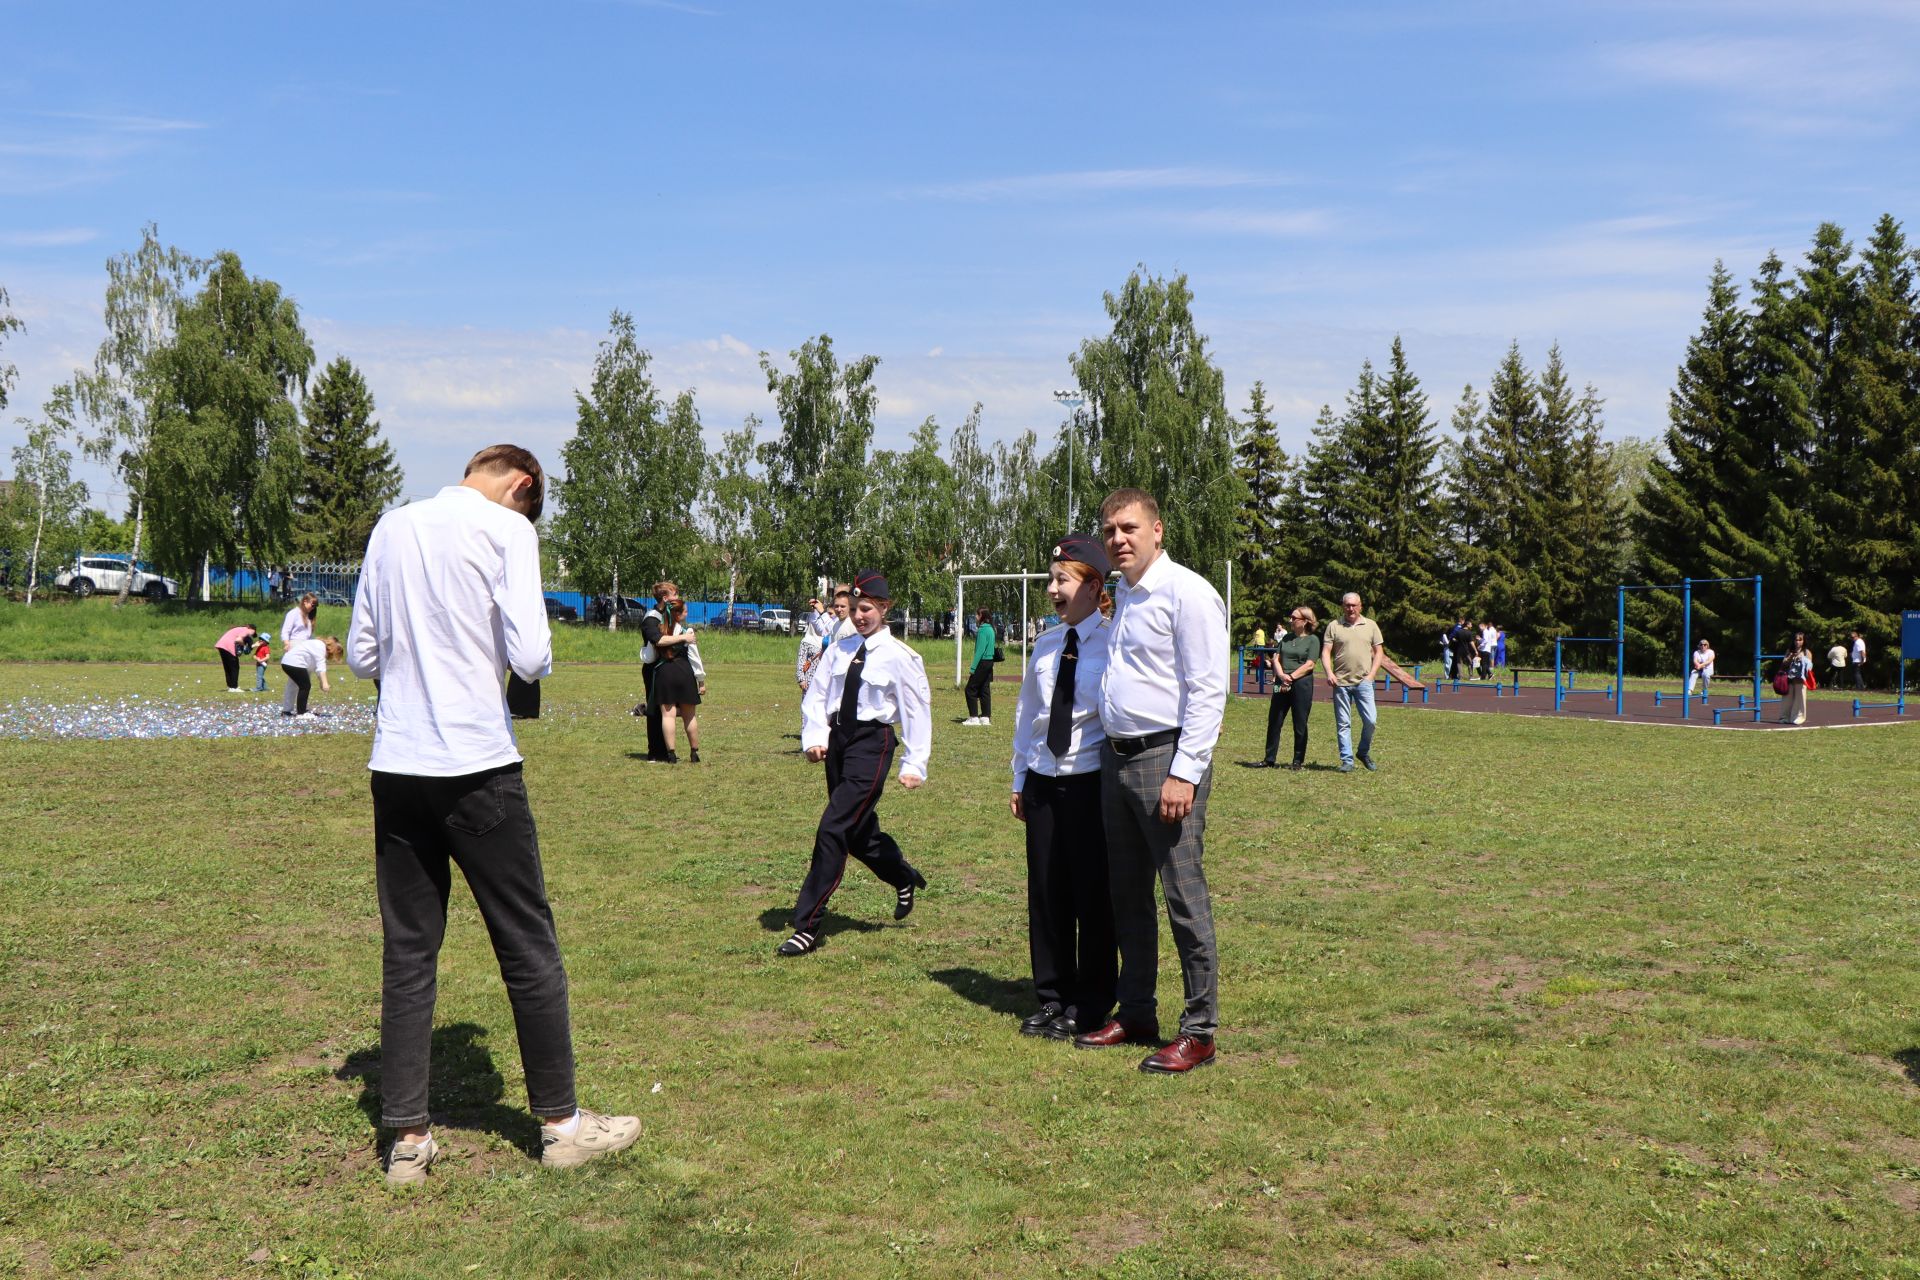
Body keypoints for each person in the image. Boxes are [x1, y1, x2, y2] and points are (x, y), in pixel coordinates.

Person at [346, 443, 637, 1185]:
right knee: (527, 945)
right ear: (522, 487)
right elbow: (533, 658)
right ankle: (563, 1126)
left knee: (408, 952)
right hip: (476, 766)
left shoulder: (391, 526)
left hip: (397, 766)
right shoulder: (510, 530)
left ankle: (407, 1141)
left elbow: (361, 654)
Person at [1075, 487, 1226, 1075]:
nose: (1118, 539)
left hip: (1166, 760)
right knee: (1127, 897)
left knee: (1183, 896)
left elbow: (1208, 690)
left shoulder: (1188, 592)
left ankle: (1200, 1031)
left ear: (1157, 531)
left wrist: (1183, 773)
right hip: (1118, 761)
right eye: (1110, 530)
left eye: (1129, 528)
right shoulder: (1123, 593)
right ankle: (1137, 1010)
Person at [779, 569, 931, 957]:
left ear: (884, 608)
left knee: (832, 828)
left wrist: (915, 763)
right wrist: (814, 738)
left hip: (872, 743)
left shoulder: (901, 657)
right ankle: (902, 875)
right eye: (854, 609)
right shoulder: (839, 650)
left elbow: (916, 711)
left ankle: (807, 925)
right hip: (839, 740)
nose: (859, 616)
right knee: (858, 835)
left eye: (867, 609)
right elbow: (816, 696)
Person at [1008, 537, 1117, 1043]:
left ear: (1094, 586)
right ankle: (1052, 997)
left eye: (1062, 580)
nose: (1052, 589)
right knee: (1047, 893)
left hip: (1090, 780)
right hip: (1043, 781)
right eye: (1051, 579)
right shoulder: (1048, 643)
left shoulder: (1115, 641)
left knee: (1091, 894)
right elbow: (1028, 714)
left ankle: (1091, 1002)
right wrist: (1019, 777)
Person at [1323, 592, 1384, 772]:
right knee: (1343, 723)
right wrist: (1328, 673)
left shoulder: (1371, 625)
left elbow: (1379, 652)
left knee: (1371, 721)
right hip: (1340, 682)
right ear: (1342, 606)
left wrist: (1372, 674)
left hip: (1364, 682)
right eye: (1347, 605)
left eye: (1354, 605)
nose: (1350, 608)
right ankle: (1347, 761)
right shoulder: (1334, 626)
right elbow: (1326, 652)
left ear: (1360, 606)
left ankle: (1363, 752)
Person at [1261, 606, 1321, 770]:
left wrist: (1292, 677)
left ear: (1305, 621)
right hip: (1281, 682)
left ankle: (1297, 760)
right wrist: (1281, 676)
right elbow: (1276, 658)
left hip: (1302, 683)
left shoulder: (1313, 640)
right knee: (1274, 719)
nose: (1290, 620)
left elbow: (1310, 664)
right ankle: (1269, 759)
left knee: (1300, 722)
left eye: (1294, 618)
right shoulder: (1286, 638)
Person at [638, 582, 692, 762]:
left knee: (669, 710)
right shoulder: (651, 618)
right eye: (675, 594)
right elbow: (658, 640)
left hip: (671, 669)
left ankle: (668, 749)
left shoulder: (670, 615)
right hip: (654, 669)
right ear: (665, 598)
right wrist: (685, 637)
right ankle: (655, 751)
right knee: (654, 710)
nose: (678, 597)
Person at [655, 599, 706, 763]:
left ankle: (671, 754)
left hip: (665, 673)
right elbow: (694, 658)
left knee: (667, 716)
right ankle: (694, 753)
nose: (687, 613)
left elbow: (649, 656)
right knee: (689, 716)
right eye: (685, 611)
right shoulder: (687, 631)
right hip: (684, 672)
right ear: (677, 614)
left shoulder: (659, 629)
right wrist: (701, 681)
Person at [280, 636, 341, 719]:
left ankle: (287, 711)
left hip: (288, 662)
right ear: (332, 648)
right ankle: (301, 713)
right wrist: (325, 683)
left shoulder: (318, 645)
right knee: (305, 686)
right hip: (294, 663)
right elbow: (321, 666)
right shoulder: (320, 647)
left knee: (297, 686)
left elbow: (317, 668)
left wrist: (321, 682)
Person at [964, 606, 998, 726]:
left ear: (981, 616)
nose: (975, 617)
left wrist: (973, 668)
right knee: (984, 689)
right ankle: (985, 717)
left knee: (970, 689)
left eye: (977, 615)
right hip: (989, 662)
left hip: (982, 662)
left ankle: (973, 717)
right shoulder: (991, 629)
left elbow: (980, 651)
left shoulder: (983, 630)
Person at [1778, 631, 1812, 725]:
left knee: (1800, 700)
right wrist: (1789, 658)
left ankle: (1799, 717)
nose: (1797, 642)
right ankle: (1784, 717)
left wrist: (1802, 659)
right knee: (1786, 700)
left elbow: (1809, 666)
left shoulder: (1806, 652)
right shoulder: (1789, 651)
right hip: (1788, 679)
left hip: (1800, 680)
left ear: (1804, 641)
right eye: (1796, 639)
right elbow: (1784, 663)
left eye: (1800, 640)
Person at [214, 624, 259, 693]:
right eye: (253, 633)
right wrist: (244, 645)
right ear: (252, 629)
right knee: (235, 667)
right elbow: (238, 639)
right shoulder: (246, 630)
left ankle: (230, 687)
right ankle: (234, 687)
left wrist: (251, 646)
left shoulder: (239, 629)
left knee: (228, 667)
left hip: (221, 645)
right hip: (228, 646)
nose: (252, 635)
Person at [1446, 615, 1472, 681]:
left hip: (1458, 646)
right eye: (1464, 621)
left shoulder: (1456, 626)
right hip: (1456, 646)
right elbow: (1452, 636)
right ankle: (1453, 675)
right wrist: (1457, 641)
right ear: (1462, 621)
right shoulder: (1458, 627)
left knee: (1456, 661)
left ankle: (1453, 675)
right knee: (1456, 662)